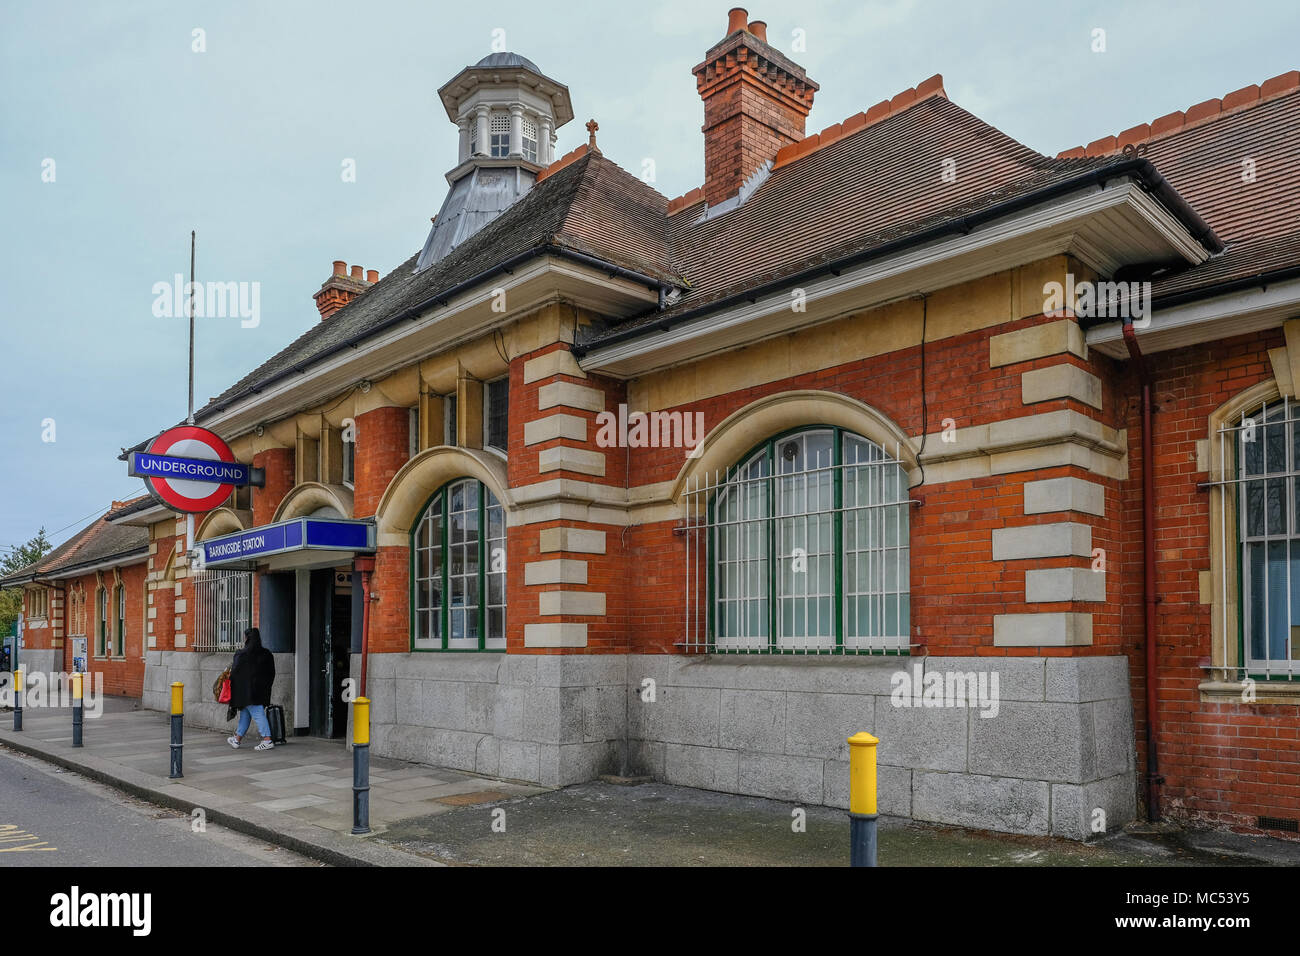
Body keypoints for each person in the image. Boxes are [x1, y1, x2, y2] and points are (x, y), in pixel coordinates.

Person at [226, 627, 276, 751]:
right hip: (261, 690)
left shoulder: (242, 654)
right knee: (245, 713)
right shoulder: (267, 654)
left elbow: (235, 672)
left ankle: (267, 740)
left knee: (257, 712)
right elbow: (271, 672)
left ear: (247, 638)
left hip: (246, 691)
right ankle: (237, 739)